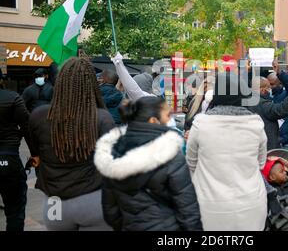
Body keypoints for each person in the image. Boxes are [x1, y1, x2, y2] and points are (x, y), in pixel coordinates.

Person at [28, 57, 115, 231]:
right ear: (91, 84)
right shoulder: (102, 118)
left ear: (60, 82)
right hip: (93, 202)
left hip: (55, 204)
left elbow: (36, 157)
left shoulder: (38, 116)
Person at [94, 96, 203, 231]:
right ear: (153, 120)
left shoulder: (112, 152)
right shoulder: (169, 154)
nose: (170, 119)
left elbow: (110, 211)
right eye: (168, 115)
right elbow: (187, 208)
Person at [186, 73, 267, 230]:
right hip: (251, 203)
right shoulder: (256, 124)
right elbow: (261, 163)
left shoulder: (200, 124)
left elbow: (191, 162)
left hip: (209, 205)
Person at [0, 71, 34, 231]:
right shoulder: (13, 98)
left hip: (9, 156)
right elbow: (27, 127)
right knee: (14, 211)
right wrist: (35, 154)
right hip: (9, 158)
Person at [249, 75, 288, 150]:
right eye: (268, 87)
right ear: (262, 90)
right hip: (267, 148)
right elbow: (282, 109)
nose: (270, 89)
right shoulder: (261, 104)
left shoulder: (247, 101)